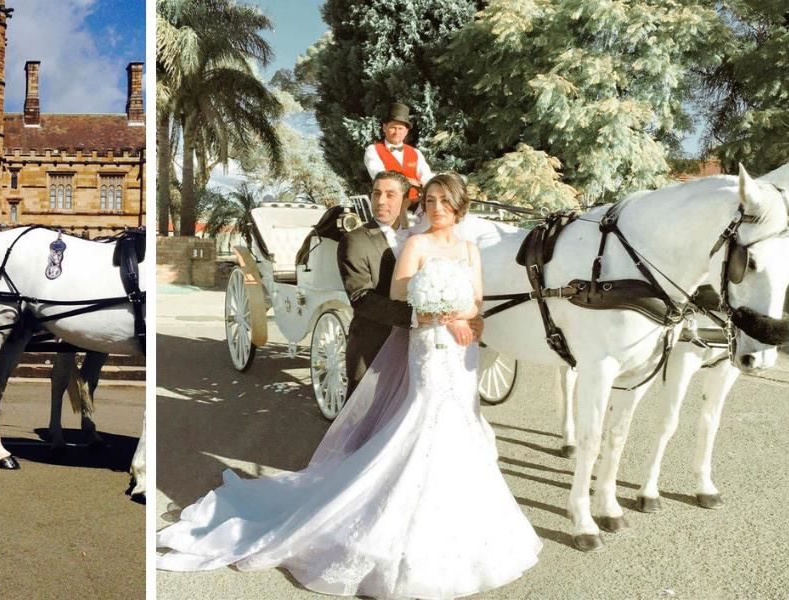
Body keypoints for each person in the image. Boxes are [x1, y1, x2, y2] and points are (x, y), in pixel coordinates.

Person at [159, 173, 540, 599]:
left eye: (444, 201)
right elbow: (402, 297)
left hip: (460, 352)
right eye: (430, 200)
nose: (436, 208)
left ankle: (463, 526)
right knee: (425, 423)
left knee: (463, 425)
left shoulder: (469, 249)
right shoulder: (414, 245)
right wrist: (447, 317)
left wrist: (470, 318)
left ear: (458, 206)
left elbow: (476, 299)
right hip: (429, 347)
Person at [338, 172, 417, 396]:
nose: (381, 201)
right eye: (376, 194)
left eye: (390, 195)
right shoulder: (355, 240)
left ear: (405, 200)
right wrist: (415, 316)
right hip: (373, 347)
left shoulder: (418, 239)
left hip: (418, 348)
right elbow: (361, 297)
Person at [363, 103, 434, 202]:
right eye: (393, 128)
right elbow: (381, 176)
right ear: (385, 128)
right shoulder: (373, 150)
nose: (397, 132)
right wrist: (409, 181)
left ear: (406, 131)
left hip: (415, 203)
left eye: (400, 129)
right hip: (388, 203)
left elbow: (426, 176)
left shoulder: (415, 152)